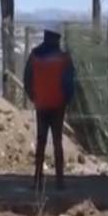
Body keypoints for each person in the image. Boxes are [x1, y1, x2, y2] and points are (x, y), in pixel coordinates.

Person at [24, 24, 75, 191]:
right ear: (57, 39)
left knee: (41, 141)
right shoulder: (64, 58)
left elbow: (27, 79)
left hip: (42, 103)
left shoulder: (34, 55)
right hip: (58, 105)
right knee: (57, 141)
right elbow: (69, 83)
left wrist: (34, 97)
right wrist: (66, 100)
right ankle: (60, 181)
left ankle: (37, 180)